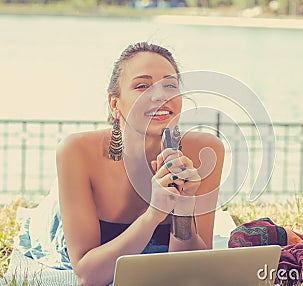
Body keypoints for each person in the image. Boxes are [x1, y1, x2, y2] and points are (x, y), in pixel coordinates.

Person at [3, 42, 225, 286]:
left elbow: (192, 270)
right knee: (54, 208)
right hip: (64, 229)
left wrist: (183, 207)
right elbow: (89, 276)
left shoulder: (206, 150)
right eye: (142, 85)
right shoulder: (76, 150)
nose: (161, 95)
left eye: (170, 85)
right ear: (114, 103)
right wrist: (153, 214)